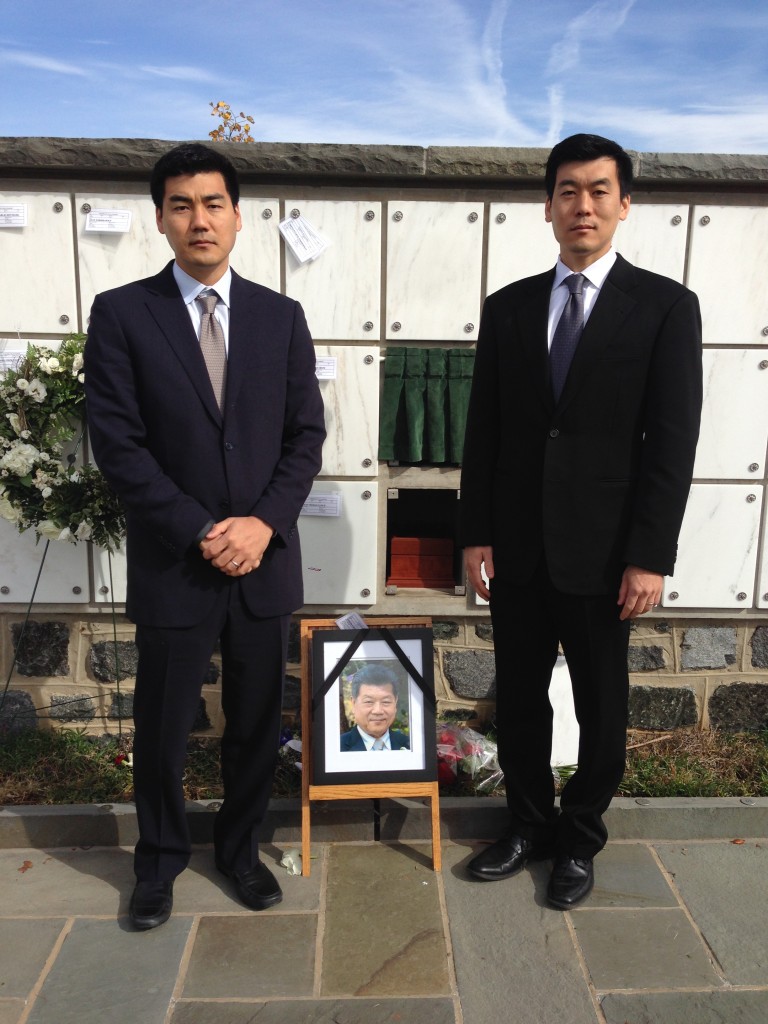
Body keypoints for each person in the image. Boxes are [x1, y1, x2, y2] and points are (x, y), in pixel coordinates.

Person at [84, 143, 325, 930]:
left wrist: (261, 525)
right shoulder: (123, 314)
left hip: (262, 563)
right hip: (175, 565)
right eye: (181, 205)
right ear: (160, 219)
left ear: (238, 216)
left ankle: (239, 850)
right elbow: (118, 443)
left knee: (256, 723)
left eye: (213, 203)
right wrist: (199, 530)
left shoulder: (281, 318)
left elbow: (304, 436)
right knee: (163, 725)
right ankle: (157, 863)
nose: (199, 219)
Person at [459, 133, 702, 909]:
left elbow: (673, 441)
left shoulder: (665, 307)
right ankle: (527, 824)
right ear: (548, 206)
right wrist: (475, 532)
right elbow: (485, 432)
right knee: (522, 697)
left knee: (601, 703)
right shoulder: (509, 309)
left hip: (606, 557)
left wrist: (650, 555)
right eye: (569, 190)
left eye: (600, 190)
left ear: (624, 205)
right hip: (520, 550)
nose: (584, 205)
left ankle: (580, 837)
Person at [340, 663, 410, 751]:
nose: (378, 711)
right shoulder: (337, 748)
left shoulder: (410, 746)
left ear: (395, 703)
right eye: (369, 702)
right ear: (354, 704)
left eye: (386, 702)